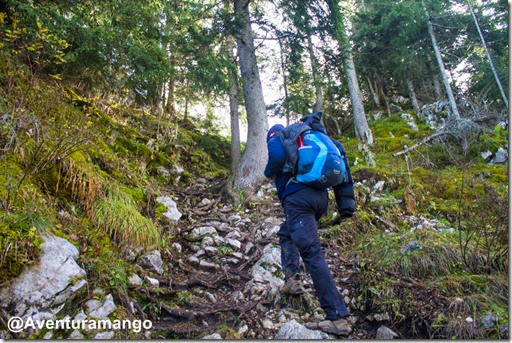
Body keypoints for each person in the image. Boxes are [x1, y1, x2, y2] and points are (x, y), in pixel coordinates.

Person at [264, 113, 356, 336]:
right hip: (319, 201)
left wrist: (268, 173)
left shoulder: (280, 133)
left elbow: (276, 156)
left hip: (298, 199)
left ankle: (338, 317)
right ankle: (292, 279)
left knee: (312, 253)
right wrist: (346, 206)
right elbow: (344, 170)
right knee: (287, 232)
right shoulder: (323, 139)